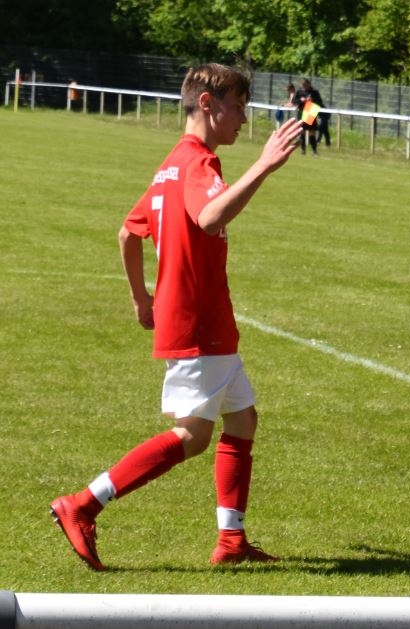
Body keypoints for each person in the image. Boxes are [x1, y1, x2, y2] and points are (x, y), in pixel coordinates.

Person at [49, 63, 303, 571]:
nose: (243, 119)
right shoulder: (197, 163)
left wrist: (140, 298)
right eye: (237, 107)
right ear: (208, 104)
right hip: (198, 319)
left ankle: (231, 540)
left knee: (243, 419)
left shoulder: (171, 164)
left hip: (201, 318)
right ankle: (84, 503)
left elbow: (128, 233)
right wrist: (264, 165)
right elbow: (209, 218)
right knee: (193, 435)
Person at [292, 78, 322, 155]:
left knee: (312, 133)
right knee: (302, 132)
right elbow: (294, 101)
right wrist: (301, 100)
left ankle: (314, 151)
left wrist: (312, 100)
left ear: (309, 84)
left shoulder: (314, 92)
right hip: (302, 113)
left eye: (305, 84)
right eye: (303, 84)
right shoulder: (299, 92)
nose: (304, 86)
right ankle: (303, 150)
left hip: (311, 112)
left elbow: (320, 102)